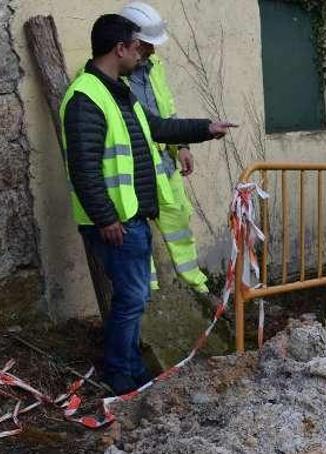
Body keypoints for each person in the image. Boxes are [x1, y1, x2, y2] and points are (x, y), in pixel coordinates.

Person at [60, 13, 235, 394]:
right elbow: (84, 168)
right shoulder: (86, 97)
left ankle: (130, 367)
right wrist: (106, 217)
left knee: (133, 298)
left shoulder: (117, 92)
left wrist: (204, 128)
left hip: (130, 217)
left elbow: (157, 128)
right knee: (132, 298)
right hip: (116, 222)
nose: (142, 54)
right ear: (119, 48)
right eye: (136, 47)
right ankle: (121, 373)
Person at [119, 2, 209, 295]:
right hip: (134, 171)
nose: (153, 52)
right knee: (138, 237)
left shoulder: (154, 67)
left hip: (166, 166)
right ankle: (151, 302)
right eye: (146, 45)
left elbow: (166, 112)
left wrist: (181, 146)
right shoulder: (106, 76)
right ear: (127, 43)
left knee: (180, 227)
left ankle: (199, 291)